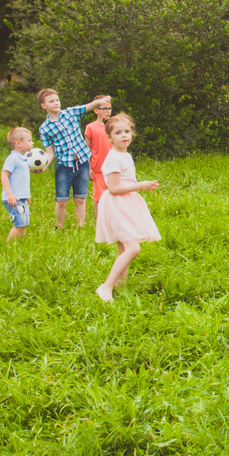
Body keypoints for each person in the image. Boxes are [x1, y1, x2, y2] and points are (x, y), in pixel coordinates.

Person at [94, 113, 161, 302]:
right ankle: (105, 287)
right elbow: (113, 188)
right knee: (133, 248)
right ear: (109, 138)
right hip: (117, 205)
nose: (124, 135)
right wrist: (140, 185)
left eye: (127, 131)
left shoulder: (124, 155)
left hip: (126, 203)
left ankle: (119, 285)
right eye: (118, 133)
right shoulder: (114, 158)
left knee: (124, 248)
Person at [37, 88, 111, 229]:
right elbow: (50, 153)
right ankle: (59, 227)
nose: (56, 103)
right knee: (61, 201)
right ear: (43, 106)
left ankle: (80, 228)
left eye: (57, 100)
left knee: (80, 198)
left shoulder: (70, 113)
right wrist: (43, 166)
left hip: (82, 162)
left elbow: (88, 107)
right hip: (64, 166)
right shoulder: (45, 128)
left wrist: (100, 101)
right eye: (51, 101)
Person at [0, 127, 33, 244]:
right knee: (19, 224)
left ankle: (18, 245)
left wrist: (25, 195)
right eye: (29, 140)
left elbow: (21, 180)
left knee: (24, 223)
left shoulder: (23, 158)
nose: (32, 143)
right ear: (18, 144)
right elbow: (4, 175)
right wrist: (9, 194)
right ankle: (8, 246)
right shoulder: (13, 158)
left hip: (21, 198)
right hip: (13, 199)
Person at [84, 95, 112, 219]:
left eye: (109, 108)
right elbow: (87, 149)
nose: (108, 111)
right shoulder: (91, 127)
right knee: (99, 196)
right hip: (97, 168)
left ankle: (111, 216)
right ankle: (99, 218)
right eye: (104, 108)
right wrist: (88, 168)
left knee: (113, 193)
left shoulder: (113, 126)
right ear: (96, 110)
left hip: (112, 167)